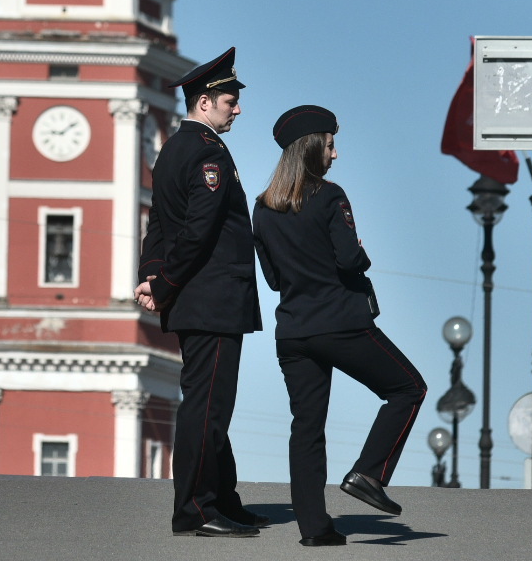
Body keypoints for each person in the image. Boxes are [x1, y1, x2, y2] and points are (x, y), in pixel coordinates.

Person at [252, 106, 425, 547]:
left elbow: (273, 279)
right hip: (341, 324)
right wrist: (359, 253)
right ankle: (370, 473)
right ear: (313, 148)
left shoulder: (263, 208)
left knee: (306, 427)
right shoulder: (330, 196)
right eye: (330, 144)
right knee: (408, 388)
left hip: (293, 332)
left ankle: (315, 529)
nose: (336, 154)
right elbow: (349, 259)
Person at [136, 47, 265, 538]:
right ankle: (194, 509)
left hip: (195, 299)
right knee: (206, 409)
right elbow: (196, 231)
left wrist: (152, 277)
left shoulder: (172, 149)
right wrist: (165, 285)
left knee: (211, 405)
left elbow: (158, 226)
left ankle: (222, 500)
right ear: (206, 101)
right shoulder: (208, 152)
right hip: (211, 300)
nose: (238, 107)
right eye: (231, 99)